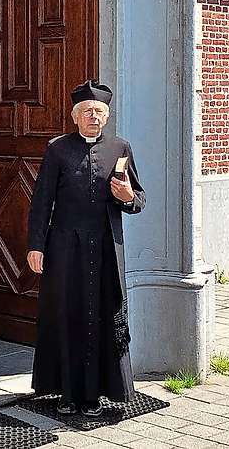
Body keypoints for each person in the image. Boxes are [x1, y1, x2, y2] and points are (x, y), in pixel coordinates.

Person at [26, 80, 146, 417]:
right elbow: (41, 202)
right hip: (65, 249)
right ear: (75, 116)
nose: (94, 117)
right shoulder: (57, 149)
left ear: (106, 117)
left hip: (105, 249)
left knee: (100, 317)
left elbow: (139, 197)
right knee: (67, 316)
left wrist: (129, 198)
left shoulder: (121, 148)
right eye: (87, 112)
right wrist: (36, 246)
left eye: (100, 112)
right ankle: (67, 394)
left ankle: (94, 395)